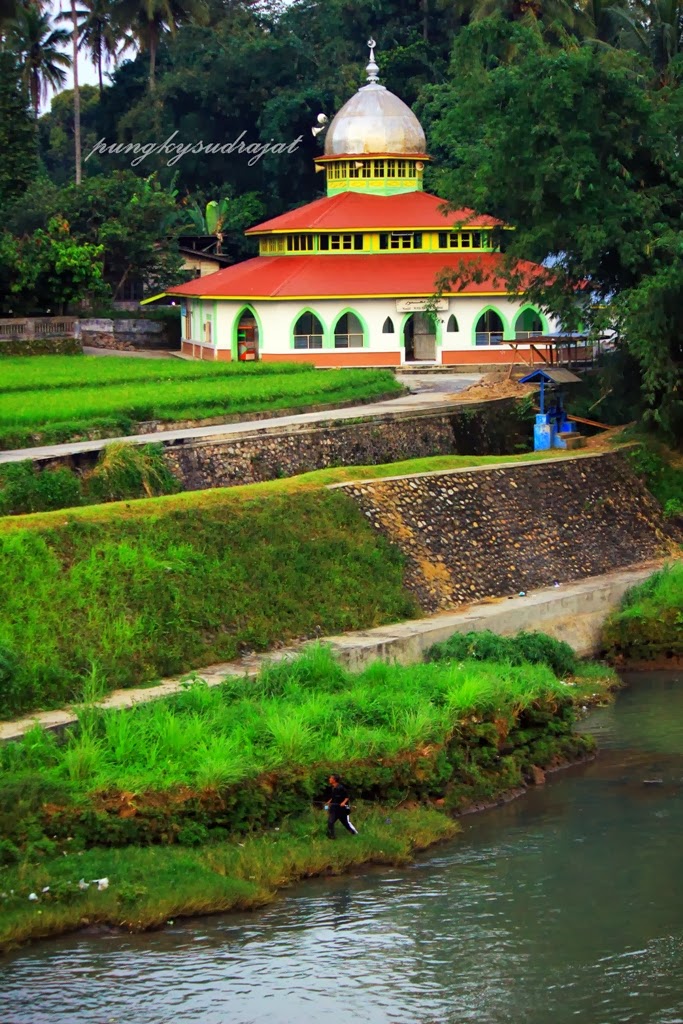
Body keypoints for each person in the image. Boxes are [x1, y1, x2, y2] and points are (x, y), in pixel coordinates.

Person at [326, 773, 358, 839]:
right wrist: (329, 802)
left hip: (341, 810)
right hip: (334, 809)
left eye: (330, 778)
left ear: (334, 780)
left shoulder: (341, 788)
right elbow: (333, 797)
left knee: (345, 823)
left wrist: (343, 803)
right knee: (330, 822)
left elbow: (347, 797)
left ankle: (354, 833)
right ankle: (331, 836)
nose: (329, 779)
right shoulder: (333, 788)